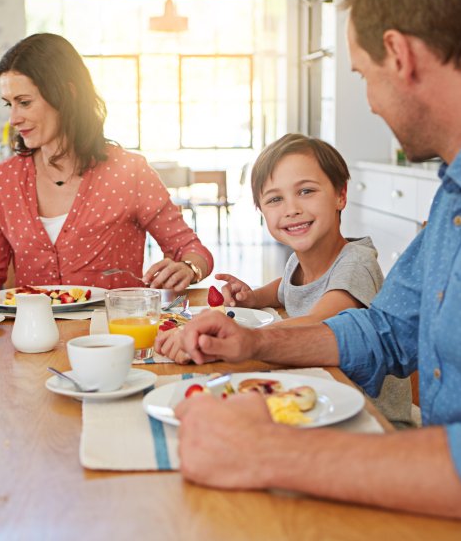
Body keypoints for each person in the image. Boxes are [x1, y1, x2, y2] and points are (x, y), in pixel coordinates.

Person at [172, 0, 461, 539]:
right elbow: (384, 331)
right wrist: (256, 341)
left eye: (363, 75)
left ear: (399, 55)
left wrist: (268, 451)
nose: (371, 103)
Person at [155, 133, 413, 426]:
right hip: (318, 399)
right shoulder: (298, 261)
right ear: (261, 212)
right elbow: (284, 288)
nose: (291, 209)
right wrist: (254, 297)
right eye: (275, 199)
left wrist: (236, 337)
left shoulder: (356, 263)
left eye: (306, 191)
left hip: (371, 420)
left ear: (340, 195)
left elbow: (319, 323)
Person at [0, 33, 213, 290]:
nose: (13, 118)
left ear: (67, 94)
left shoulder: (129, 172)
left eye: (25, 102)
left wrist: (187, 268)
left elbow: (193, 250)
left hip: (113, 336)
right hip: (33, 341)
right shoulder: (3, 180)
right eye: (9, 104)